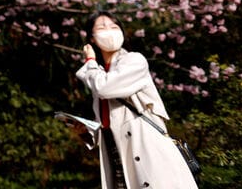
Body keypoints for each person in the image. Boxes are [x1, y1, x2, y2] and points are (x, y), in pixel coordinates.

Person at [76, 11, 198, 189]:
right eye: (102, 28)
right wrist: (85, 133)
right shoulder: (100, 74)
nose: (110, 31)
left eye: (114, 27)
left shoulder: (134, 61)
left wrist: (90, 62)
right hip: (117, 155)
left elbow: (104, 88)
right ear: (92, 39)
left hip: (148, 152)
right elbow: (109, 123)